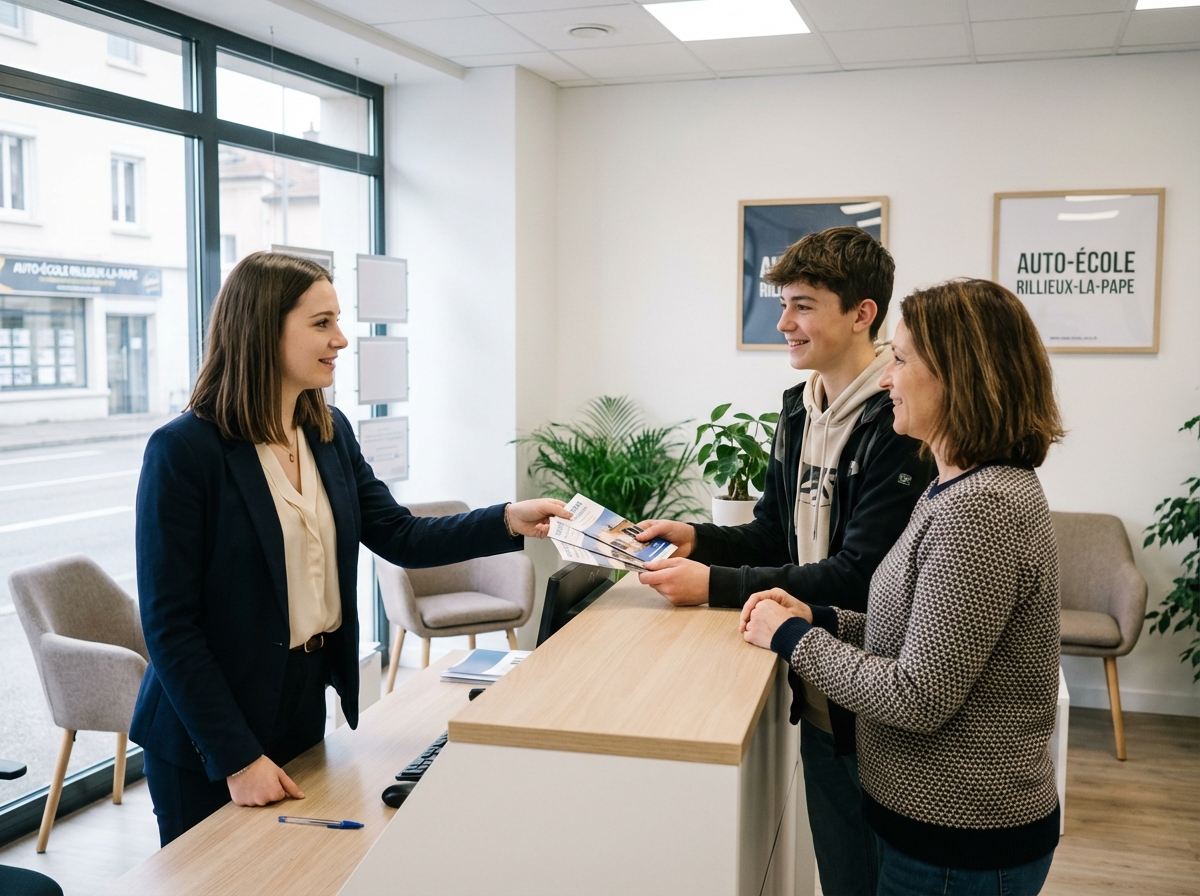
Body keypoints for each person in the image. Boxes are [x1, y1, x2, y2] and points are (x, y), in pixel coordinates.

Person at [131, 251, 567, 846]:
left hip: (300, 699)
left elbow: (399, 534)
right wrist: (237, 757)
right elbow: (170, 626)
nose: (340, 339)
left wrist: (508, 519)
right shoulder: (184, 451)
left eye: (338, 321)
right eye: (322, 323)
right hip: (207, 729)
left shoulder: (328, 431)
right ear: (262, 329)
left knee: (296, 867)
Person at [742, 278, 1064, 896]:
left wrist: (793, 639)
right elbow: (915, 631)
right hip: (936, 834)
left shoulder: (981, 509)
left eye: (902, 360)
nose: (887, 378)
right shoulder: (952, 487)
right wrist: (819, 617)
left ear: (960, 376)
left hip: (959, 843)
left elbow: (918, 695)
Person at [636, 227, 933, 896]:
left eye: (803, 305)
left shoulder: (900, 420)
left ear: (861, 314)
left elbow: (859, 575)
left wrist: (712, 585)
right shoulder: (798, 410)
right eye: (782, 305)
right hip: (817, 693)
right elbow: (775, 534)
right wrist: (697, 538)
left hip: (875, 702)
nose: (783, 324)